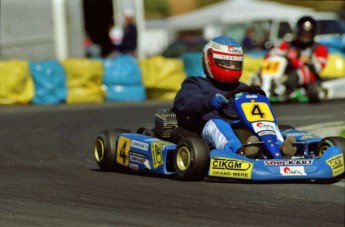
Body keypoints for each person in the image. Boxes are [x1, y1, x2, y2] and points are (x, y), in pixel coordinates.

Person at [173, 36, 293, 158]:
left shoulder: (243, 87)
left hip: (241, 129)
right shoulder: (196, 83)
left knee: (265, 123)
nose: (231, 67)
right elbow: (184, 102)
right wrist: (210, 100)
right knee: (217, 123)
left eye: (235, 64)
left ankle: (279, 148)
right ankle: (238, 152)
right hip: (204, 131)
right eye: (226, 63)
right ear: (209, 61)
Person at [264, 16, 328, 98]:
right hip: (285, 71)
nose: (305, 35)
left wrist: (297, 61)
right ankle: (264, 87)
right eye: (303, 32)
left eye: (308, 33)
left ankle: (284, 91)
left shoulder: (319, 48)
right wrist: (284, 56)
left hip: (307, 74)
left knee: (297, 74)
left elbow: (318, 67)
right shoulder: (289, 45)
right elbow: (270, 54)